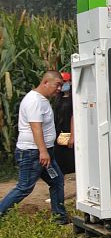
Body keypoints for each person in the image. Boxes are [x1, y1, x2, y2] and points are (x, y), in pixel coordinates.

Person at [0, 71, 68, 224]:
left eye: (61, 86)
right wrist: (43, 151)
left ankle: (59, 218)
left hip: (43, 152)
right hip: (33, 152)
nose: (59, 89)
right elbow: (35, 127)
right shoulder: (34, 101)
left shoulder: (42, 99)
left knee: (57, 181)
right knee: (24, 187)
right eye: (57, 85)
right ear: (45, 82)